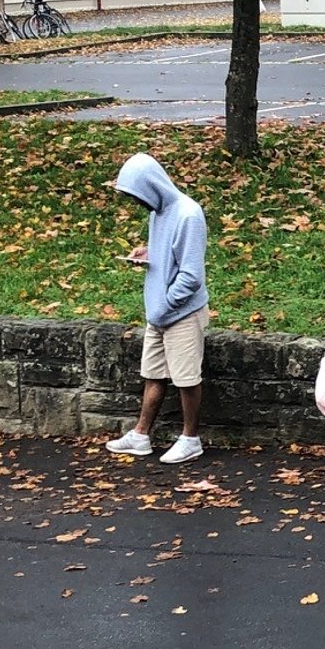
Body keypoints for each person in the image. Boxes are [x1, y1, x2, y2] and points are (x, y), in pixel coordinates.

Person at [104, 152, 210, 465]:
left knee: (186, 379)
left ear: (152, 186)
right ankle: (140, 435)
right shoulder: (158, 213)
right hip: (159, 312)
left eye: (137, 195)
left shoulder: (189, 215)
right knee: (154, 375)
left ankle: (191, 439)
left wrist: (166, 304)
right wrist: (148, 253)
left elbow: (191, 276)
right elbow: (170, 254)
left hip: (181, 314)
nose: (137, 203)